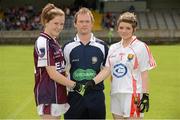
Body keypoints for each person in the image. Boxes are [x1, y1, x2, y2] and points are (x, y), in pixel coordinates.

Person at [85, 12, 156, 119]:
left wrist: (145, 96)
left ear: (134, 29)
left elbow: (144, 73)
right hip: (115, 93)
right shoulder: (113, 48)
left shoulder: (141, 47)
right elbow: (107, 70)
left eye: (128, 28)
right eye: (121, 27)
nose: (124, 31)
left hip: (132, 94)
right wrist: (92, 81)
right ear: (117, 29)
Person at [33, 3, 83, 119]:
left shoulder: (53, 41)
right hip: (48, 95)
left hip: (58, 94)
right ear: (46, 22)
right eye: (56, 23)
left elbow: (60, 70)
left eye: (61, 24)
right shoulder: (43, 42)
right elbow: (52, 74)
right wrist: (76, 86)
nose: (59, 27)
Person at [63, 7, 109, 119]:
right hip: (74, 97)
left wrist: (93, 82)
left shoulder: (102, 46)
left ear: (92, 23)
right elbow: (62, 72)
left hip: (96, 96)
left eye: (87, 21)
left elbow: (108, 69)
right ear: (75, 24)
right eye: (81, 21)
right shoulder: (67, 47)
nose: (84, 24)